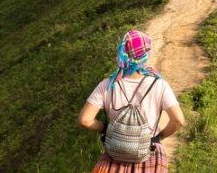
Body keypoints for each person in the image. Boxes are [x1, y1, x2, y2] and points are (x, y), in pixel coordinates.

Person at [78, 29, 186, 172]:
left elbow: (85, 120)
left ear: (122, 52)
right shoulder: (159, 84)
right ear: (146, 55)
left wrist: (106, 129)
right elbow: (178, 120)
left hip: (115, 154)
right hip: (149, 151)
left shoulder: (108, 84)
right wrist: (158, 138)